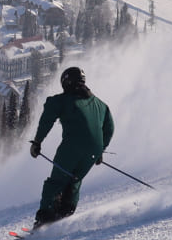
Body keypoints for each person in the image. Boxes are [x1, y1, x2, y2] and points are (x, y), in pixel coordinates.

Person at [28, 66, 114, 228]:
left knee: (56, 182)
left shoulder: (62, 100)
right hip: (94, 151)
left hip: (72, 147)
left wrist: (37, 142)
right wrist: (100, 150)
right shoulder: (101, 105)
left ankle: (45, 220)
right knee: (74, 180)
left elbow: (47, 119)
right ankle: (64, 214)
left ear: (66, 82)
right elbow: (109, 128)